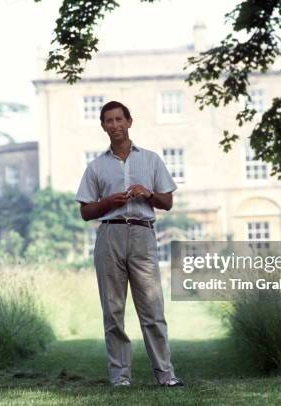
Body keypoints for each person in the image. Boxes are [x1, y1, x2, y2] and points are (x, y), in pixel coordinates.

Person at [75, 100, 184, 388]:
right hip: (109, 235)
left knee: (152, 309)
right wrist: (109, 202)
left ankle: (166, 375)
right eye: (108, 121)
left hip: (142, 235)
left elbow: (168, 202)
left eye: (119, 119)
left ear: (129, 122)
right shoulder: (96, 167)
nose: (114, 125)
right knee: (113, 311)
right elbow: (85, 211)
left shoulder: (150, 160)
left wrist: (148, 194)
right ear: (103, 126)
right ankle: (120, 377)